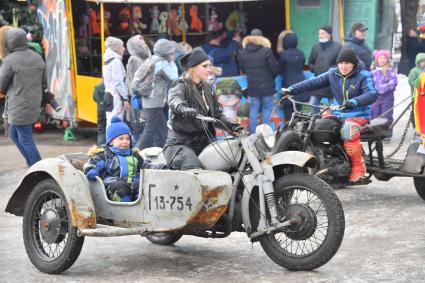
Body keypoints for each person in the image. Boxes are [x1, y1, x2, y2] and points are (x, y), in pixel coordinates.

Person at [282, 49, 377, 184]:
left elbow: (372, 94)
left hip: (359, 115)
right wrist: (292, 89)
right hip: (337, 113)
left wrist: (354, 102)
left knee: (348, 130)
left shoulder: (364, 75)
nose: (343, 66)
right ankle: (326, 162)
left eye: (347, 63)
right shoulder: (333, 73)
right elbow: (313, 82)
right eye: (341, 63)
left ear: (354, 64)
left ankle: (358, 169)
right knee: (315, 127)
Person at [164, 48, 243, 170]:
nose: (209, 69)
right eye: (204, 66)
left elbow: (216, 116)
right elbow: (174, 100)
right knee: (195, 168)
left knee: (230, 163)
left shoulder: (207, 87)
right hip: (180, 145)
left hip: (205, 142)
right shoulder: (180, 84)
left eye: (209, 66)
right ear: (193, 68)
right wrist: (182, 108)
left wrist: (235, 126)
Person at [84, 116, 167, 202]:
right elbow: (92, 164)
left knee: (142, 184)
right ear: (111, 141)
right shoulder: (104, 155)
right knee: (119, 187)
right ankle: (126, 209)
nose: (125, 141)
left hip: (132, 184)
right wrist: (92, 170)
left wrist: (160, 168)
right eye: (121, 139)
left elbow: (145, 166)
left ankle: (141, 206)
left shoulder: (134, 155)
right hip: (113, 186)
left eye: (127, 138)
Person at [0, 27, 45, 167]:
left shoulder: (9, 60)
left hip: (19, 106)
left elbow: (1, 85)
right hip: (33, 104)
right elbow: (43, 81)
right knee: (14, 134)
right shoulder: (37, 57)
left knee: (25, 138)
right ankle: (32, 165)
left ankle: (39, 169)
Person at [132, 39, 178, 150]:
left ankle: (168, 148)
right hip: (155, 99)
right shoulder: (162, 63)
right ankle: (136, 152)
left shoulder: (150, 59)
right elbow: (174, 78)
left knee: (162, 128)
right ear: (167, 53)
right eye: (172, 53)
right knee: (149, 130)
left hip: (147, 98)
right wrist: (172, 63)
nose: (173, 55)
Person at [238, 28, 280, 132]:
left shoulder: (243, 53)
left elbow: (243, 69)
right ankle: (265, 132)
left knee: (254, 108)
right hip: (267, 86)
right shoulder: (266, 51)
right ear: (262, 38)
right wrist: (270, 77)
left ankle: (253, 132)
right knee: (267, 108)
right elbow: (275, 68)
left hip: (253, 86)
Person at [308, 25, 342, 108]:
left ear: (329, 34)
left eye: (323, 33)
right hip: (318, 82)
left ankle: (335, 120)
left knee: (334, 107)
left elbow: (340, 64)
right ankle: (315, 120)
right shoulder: (315, 47)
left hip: (331, 82)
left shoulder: (338, 47)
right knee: (313, 104)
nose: (320, 35)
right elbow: (310, 62)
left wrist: (330, 71)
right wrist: (314, 69)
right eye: (319, 33)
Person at [279, 32, 308, 122]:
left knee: (288, 111)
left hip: (288, 84)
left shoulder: (284, 54)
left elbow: (280, 68)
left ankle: (289, 131)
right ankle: (298, 132)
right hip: (300, 84)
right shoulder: (301, 53)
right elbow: (302, 65)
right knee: (298, 110)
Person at [370, 49, 398, 142]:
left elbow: (394, 82)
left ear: (387, 60)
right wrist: (387, 86)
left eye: (384, 58)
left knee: (387, 115)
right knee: (375, 115)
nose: (382, 60)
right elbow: (378, 87)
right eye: (380, 58)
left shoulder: (390, 71)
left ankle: (386, 134)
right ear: (377, 60)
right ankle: (376, 134)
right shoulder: (374, 72)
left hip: (388, 98)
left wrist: (384, 87)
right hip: (375, 98)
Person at [102, 36, 129, 126]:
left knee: (109, 122)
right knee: (117, 121)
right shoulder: (116, 62)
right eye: (122, 46)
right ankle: (115, 139)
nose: (124, 49)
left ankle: (109, 139)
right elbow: (118, 82)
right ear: (116, 48)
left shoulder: (107, 61)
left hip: (108, 95)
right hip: (116, 97)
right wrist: (124, 98)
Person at [407, 53, 425, 129]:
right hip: (417, 97)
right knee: (416, 114)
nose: (424, 63)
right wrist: (420, 85)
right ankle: (417, 128)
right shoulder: (414, 71)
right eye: (422, 61)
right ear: (418, 62)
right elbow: (411, 82)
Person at [92, 81, 107, 145]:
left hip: (100, 111)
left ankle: (101, 146)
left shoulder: (97, 87)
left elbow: (94, 98)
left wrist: (100, 102)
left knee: (101, 129)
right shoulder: (111, 85)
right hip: (110, 110)